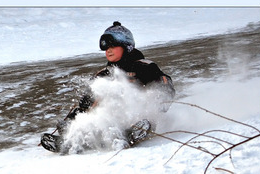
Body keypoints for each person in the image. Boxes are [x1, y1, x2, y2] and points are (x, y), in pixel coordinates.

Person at [41, 21, 175, 154]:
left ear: (126, 46)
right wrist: (79, 111)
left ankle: (129, 135)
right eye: (106, 48)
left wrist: (159, 100)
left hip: (138, 118)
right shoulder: (103, 74)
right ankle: (71, 139)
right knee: (82, 113)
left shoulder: (143, 66)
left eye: (113, 46)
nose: (108, 50)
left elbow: (164, 84)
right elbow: (90, 100)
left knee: (145, 122)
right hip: (110, 121)